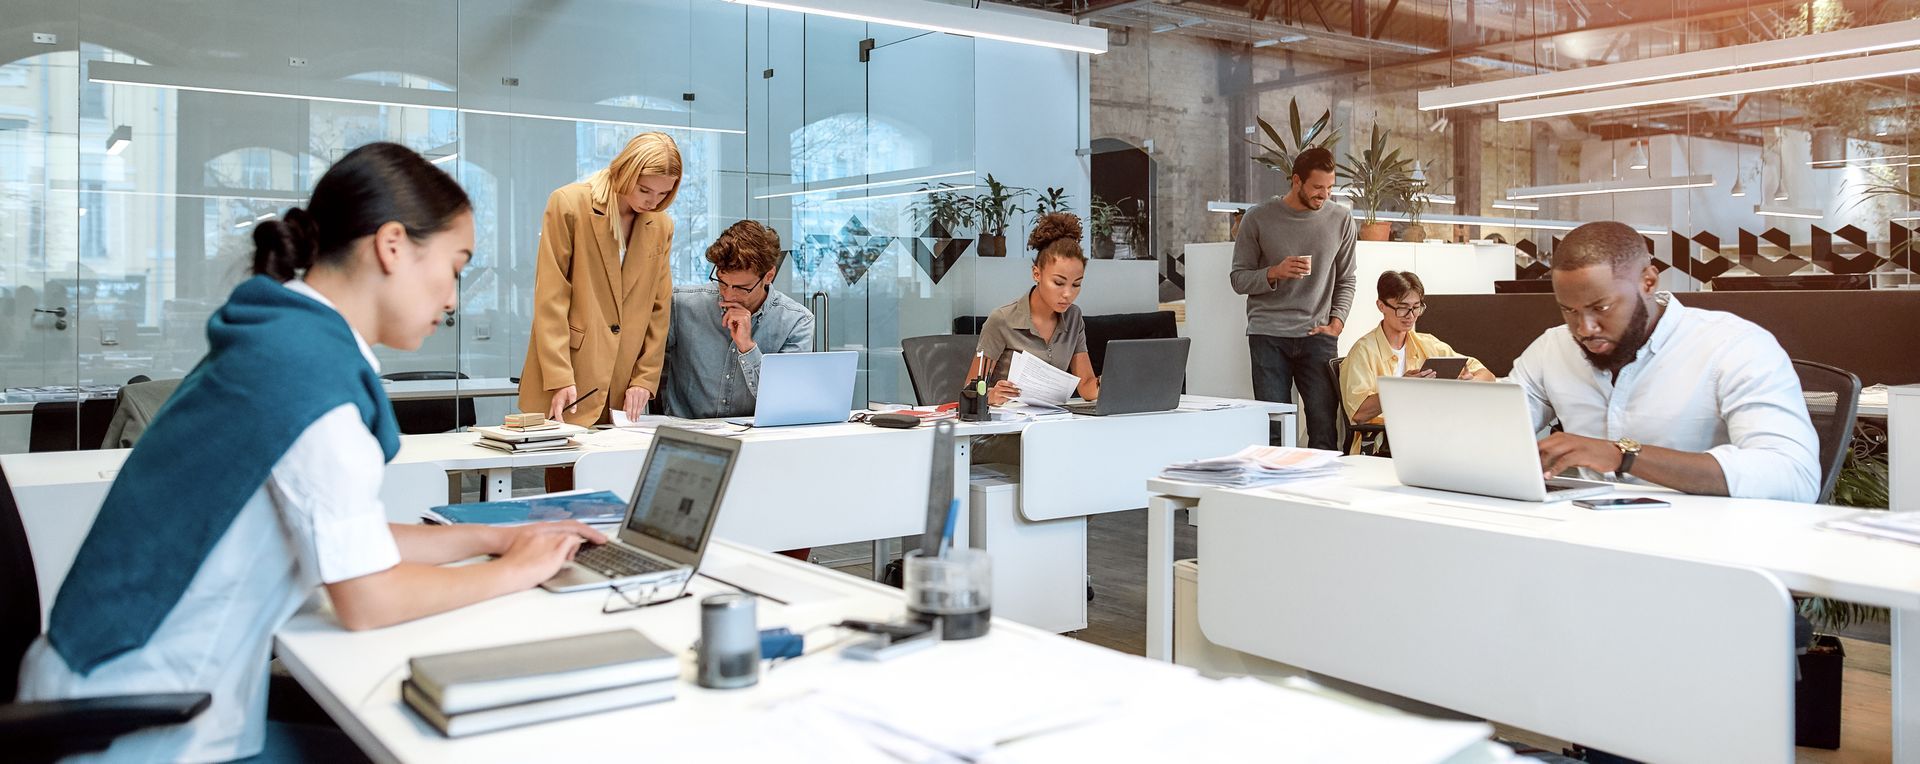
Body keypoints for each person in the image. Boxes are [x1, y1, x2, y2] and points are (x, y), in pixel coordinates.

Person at [18, 143, 606, 762]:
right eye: (456, 267)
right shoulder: (309, 378)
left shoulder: (279, 342)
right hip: (140, 729)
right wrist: (516, 573)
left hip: (118, 691)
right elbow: (368, 599)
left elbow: (346, 533)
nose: (454, 298)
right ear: (393, 246)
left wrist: (494, 539)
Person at [1513, 221, 1819, 502]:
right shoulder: (1552, 349)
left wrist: (1624, 456)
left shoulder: (1734, 346)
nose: (1584, 329)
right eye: (1569, 310)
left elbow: (1793, 476)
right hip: (1586, 533)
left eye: (1601, 307)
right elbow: (1492, 435)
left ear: (1648, 281)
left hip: (1705, 540)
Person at [519, 131, 681, 427]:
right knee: (566, 472)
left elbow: (659, 309)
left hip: (623, 387)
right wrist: (559, 375)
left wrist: (645, 379)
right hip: (569, 376)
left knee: (615, 473)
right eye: (645, 190)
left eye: (663, 194)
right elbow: (551, 299)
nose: (654, 201)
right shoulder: (569, 204)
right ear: (625, 171)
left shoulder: (661, 225)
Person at [1230, 146, 1356, 450]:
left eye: (1329, 187)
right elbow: (1238, 279)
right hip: (1267, 335)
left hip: (1318, 336)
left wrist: (1336, 323)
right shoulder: (1258, 218)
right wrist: (1274, 272)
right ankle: (1275, 493)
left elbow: (1347, 278)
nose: (1324, 195)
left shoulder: (1341, 219)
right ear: (1296, 181)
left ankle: (1319, 495)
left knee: (1325, 429)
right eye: (1316, 187)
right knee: (1273, 429)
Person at [661, 219, 815, 419]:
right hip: (686, 435)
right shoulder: (682, 305)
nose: (729, 295)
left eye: (742, 288)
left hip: (755, 439)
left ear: (768, 276)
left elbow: (785, 400)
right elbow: (642, 361)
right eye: (722, 283)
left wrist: (747, 347)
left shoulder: (796, 321)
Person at [1338, 270, 1494, 430]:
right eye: (1402, 308)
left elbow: (1487, 375)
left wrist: (1469, 382)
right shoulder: (1363, 351)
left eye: (1416, 307)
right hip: (1382, 440)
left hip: (1429, 430)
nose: (1410, 316)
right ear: (1381, 306)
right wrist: (1401, 388)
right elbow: (1358, 414)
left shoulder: (1427, 343)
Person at [972, 212, 1100, 405]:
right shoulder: (1002, 319)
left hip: (1051, 425)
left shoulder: (1073, 317)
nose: (1068, 294)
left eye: (1076, 284)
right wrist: (990, 394)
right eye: (1058, 283)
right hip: (1006, 429)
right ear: (1036, 274)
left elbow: (1087, 389)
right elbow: (971, 391)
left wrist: (1111, 381)